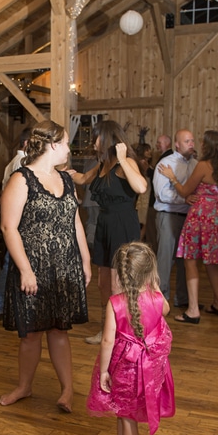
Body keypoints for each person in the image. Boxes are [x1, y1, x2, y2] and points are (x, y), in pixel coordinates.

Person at [0, 120, 91, 413]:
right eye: (65, 143)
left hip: (64, 265)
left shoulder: (65, 179)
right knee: (31, 333)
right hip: (33, 266)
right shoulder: (21, 179)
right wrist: (25, 270)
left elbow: (74, 221)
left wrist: (85, 260)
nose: (68, 148)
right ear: (52, 145)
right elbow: (8, 227)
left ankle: (67, 391)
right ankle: (24, 386)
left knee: (59, 330)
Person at [85, 242, 175, 435]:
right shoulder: (157, 299)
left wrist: (104, 371)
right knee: (123, 410)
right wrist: (155, 286)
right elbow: (165, 310)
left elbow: (106, 341)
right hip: (148, 367)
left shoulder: (115, 303)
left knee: (127, 416)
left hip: (125, 367)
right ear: (149, 274)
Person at [70, 120, 147, 345]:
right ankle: (108, 329)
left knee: (118, 284)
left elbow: (141, 187)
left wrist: (123, 158)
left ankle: (121, 333)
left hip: (122, 223)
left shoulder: (125, 163)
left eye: (96, 138)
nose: (93, 142)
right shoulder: (103, 164)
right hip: (105, 222)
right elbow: (83, 179)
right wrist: (60, 172)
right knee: (103, 284)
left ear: (108, 138)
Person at [157, 130, 218, 323]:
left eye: (199, 141)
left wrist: (172, 177)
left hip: (200, 217)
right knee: (212, 264)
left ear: (209, 146)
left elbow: (185, 191)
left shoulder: (202, 165)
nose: (196, 144)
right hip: (217, 217)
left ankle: (192, 310)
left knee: (190, 262)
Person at [151, 129, 196, 310]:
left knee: (186, 260)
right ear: (177, 144)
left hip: (189, 217)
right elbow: (161, 194)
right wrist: (184, 198)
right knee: (165, 259)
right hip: (169, 215)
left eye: (192, 141)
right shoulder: (165, 164)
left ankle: (183, 298)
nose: (191, 144)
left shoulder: (196, 165)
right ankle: (161, 299)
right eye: (187, 141)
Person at [0, 128, 31, 322]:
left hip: (17, 220)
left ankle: (4, 305)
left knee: (13, 263)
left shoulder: (15, 163)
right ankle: (0, 305)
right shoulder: (20, 163)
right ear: (26, 143)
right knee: (11, 263)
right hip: (18, 221)